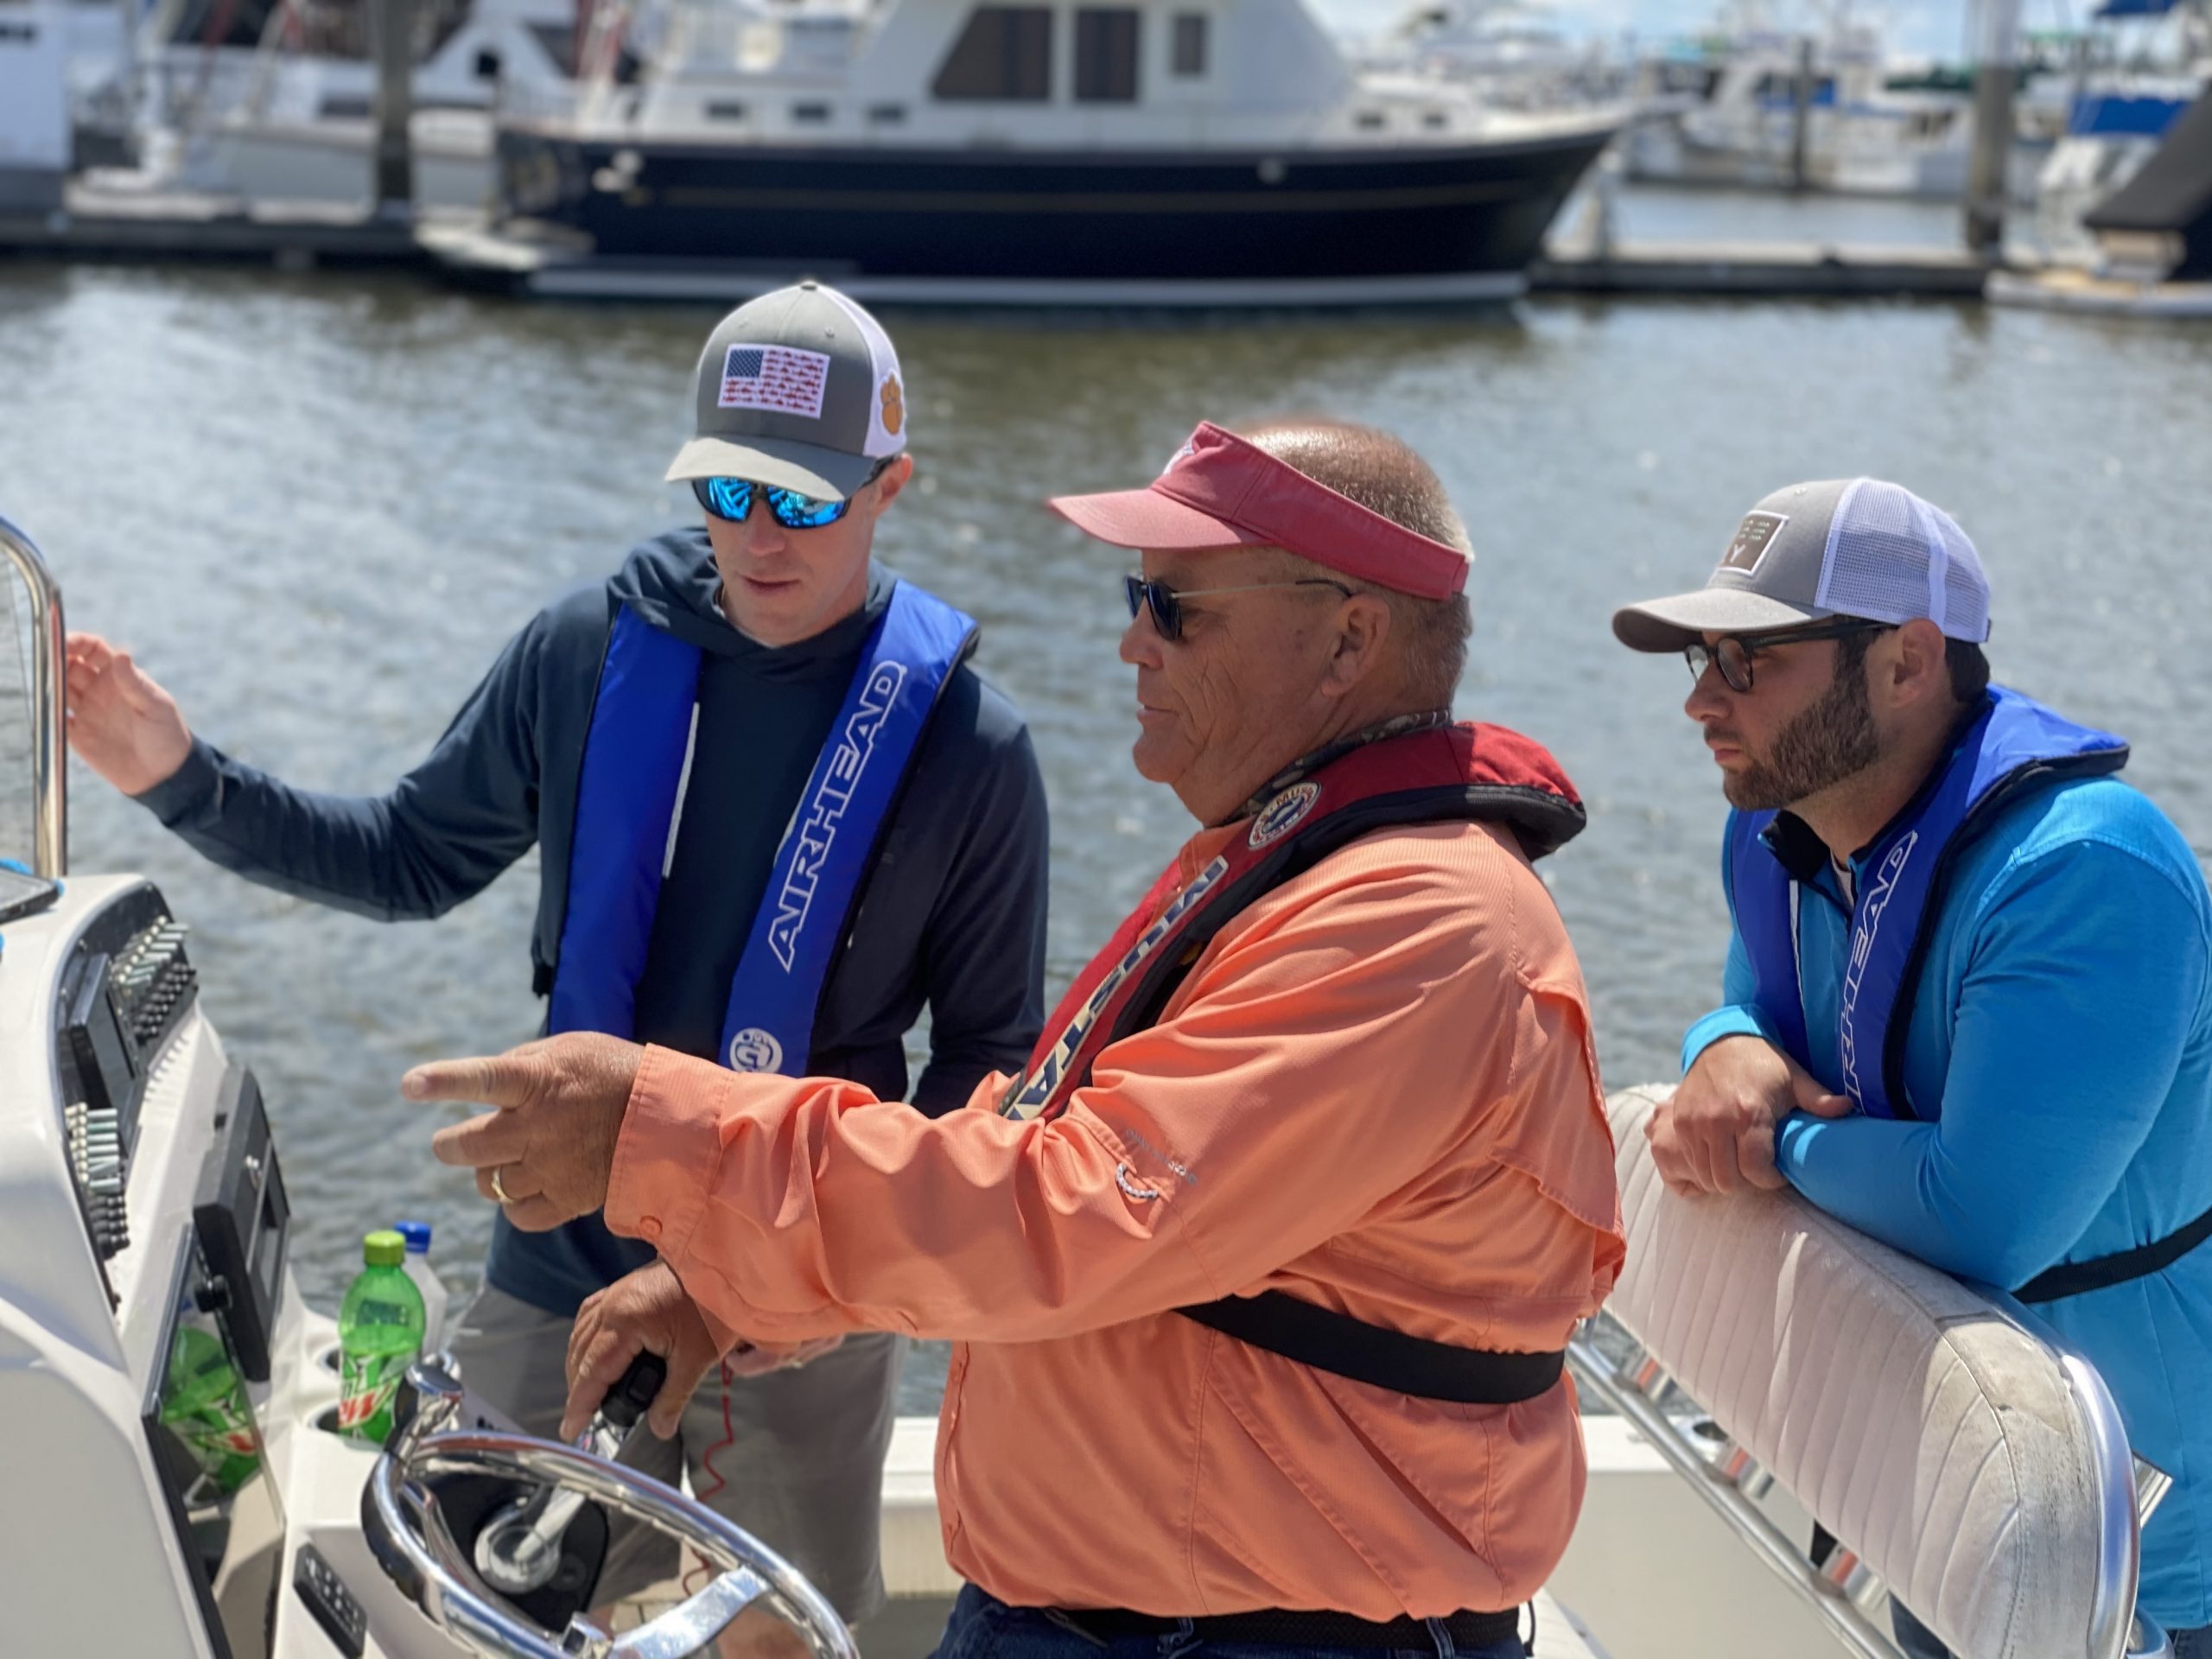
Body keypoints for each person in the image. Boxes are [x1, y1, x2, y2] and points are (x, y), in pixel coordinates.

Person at [407, 416, 1626, 1659]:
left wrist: (661, 1129)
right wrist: (730, 1288)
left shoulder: (1417, 929)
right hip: (1118, 1613)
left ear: (1350, 638)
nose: (1129, 642)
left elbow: (1070, 1214)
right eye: (1131, 599)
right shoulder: (1300, 864)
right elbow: (1052, 1147)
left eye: (1173, 606)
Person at [64, 282, 1051, 1650]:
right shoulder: (586, 651)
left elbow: (992, 1070)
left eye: (808, 503)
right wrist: (178, 777)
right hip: (556, 1259)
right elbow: (408, 857)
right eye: (727, 489)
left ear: (892, 486)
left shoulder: (971, 747)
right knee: (482, 1608)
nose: (759, 536)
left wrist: (776, 1279)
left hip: (800, 1295)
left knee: (768, 1637)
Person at [1612, 478, 2212, 1656]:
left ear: (1907, 661)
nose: (1699, 700)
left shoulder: (2086, 872)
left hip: (2146, 1549)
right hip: (1944, 1489)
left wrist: (1765, 1141)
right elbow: (1758, 1016)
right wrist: (1716, 1044)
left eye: (1745, 659)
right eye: (1698, 658)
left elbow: (1979, 1218)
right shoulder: (1786, 822)